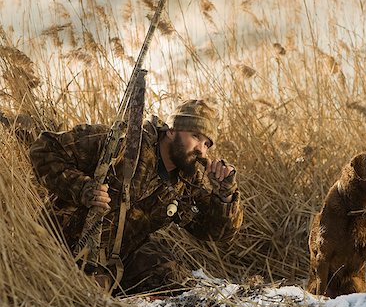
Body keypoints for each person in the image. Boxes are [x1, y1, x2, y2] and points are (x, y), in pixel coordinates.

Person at [29, 99, 243, 295]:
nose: (201, 150)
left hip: (115, 262)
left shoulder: (185, 181)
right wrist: (83, 189)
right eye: (196, 136)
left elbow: (212, 231)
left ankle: (120, 299)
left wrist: (224, 193)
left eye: (207, 144)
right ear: (171, 131)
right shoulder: (120, 144)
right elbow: (44, 148)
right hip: (60, 246)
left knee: (170, 274)